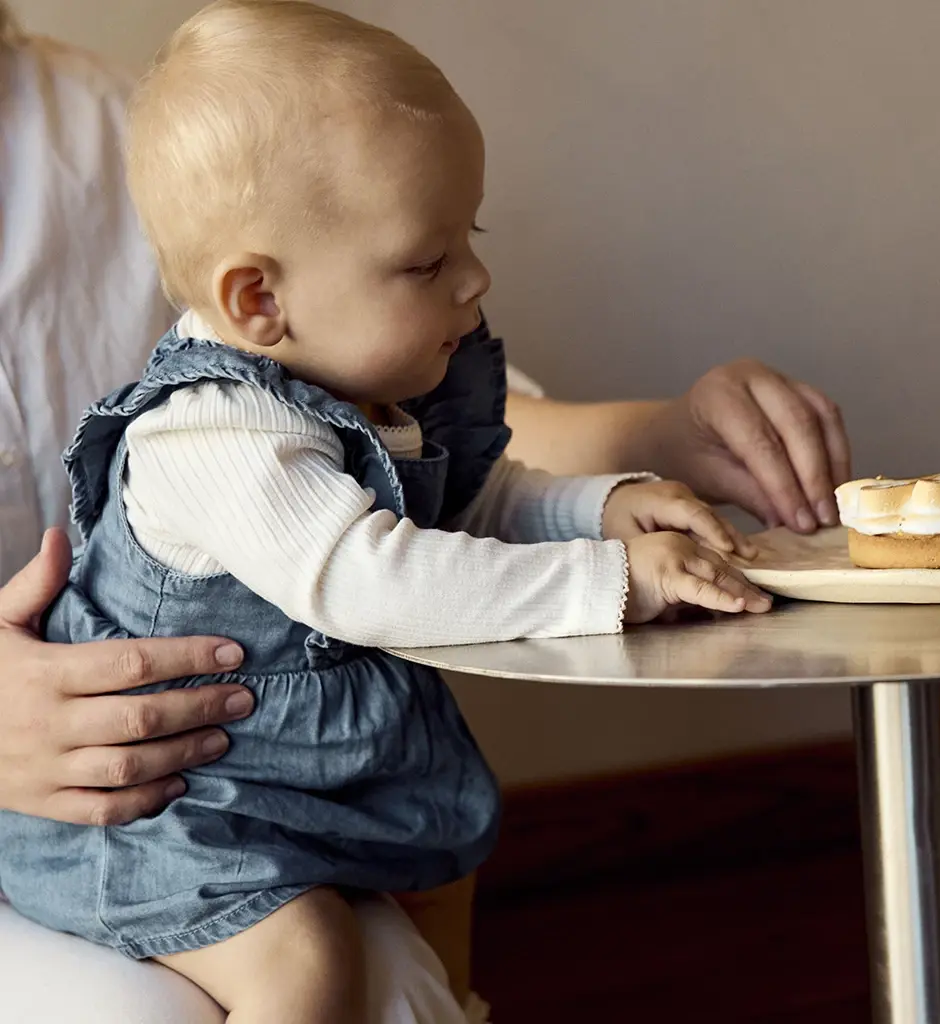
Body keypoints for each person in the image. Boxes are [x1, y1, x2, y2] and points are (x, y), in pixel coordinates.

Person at [0, 2, 848, 1021]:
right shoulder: (214, 436)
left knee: (440, 866)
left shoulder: (333, 382)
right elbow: (377, 577)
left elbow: (477, 494)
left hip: (269, 783)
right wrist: (609, 584)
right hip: (153, 814)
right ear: (257, 301)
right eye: (427, 261)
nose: (478, 279)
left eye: (469, 239)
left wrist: (605, 503)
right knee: (304, 962)